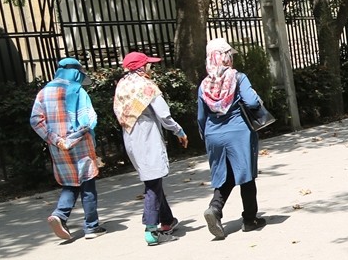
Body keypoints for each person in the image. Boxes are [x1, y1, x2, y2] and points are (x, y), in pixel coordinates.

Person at [114, 52, 188, 246]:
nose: (151, 68)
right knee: (152, 184)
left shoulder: (122, 85)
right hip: (147, 138)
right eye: (149, 65)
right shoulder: (146, 85)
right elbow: (164, 115)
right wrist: (178, 131)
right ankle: (151, 230)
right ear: (141, 67)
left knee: (152, 179)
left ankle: (167, 220)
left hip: (130, 137)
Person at [29, 57, 105, 241]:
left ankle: (60, 215)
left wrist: (55, 139)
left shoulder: (43, 93)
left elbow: (35, 120)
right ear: (76, 72)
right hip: (81, 145)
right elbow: (89, 119)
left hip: (58, 148)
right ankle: (91, 227)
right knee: (87, 184)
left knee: (71, 183)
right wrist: (76, 136)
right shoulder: (78, 91)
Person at [197, 37, 266, 240]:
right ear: (226, 57)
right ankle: (249, 219)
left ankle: (215, 209)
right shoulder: (238, 78)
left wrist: (206, 135)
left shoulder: (204, 84)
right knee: (246, 174)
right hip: (238, 132)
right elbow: (252, 102)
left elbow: (201, 116)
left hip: (213, 134)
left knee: (224, 174)